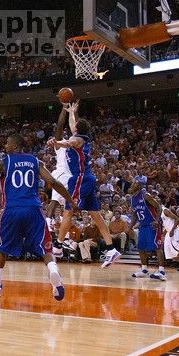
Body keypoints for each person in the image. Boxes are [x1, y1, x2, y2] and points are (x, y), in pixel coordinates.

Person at [0, 134, 77, 300]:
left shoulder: (3, 162)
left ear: (14, 145)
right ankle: (53, 271)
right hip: (34, 209)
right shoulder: (36, 162)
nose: (5, 145)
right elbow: (54, 182)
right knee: (45, 248)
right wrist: (70, 200)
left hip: (12, 209)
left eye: (7, 142)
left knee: (2, 248)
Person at [48, 103, 121, 268]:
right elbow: (72, 126)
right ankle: (111, 249)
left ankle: (58, 246)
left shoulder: (78, 139)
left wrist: (56, 142)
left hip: (80, 178)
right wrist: (72, 113)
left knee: (68, 211)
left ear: (77, 131)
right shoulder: (81, 136)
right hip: (87, 178)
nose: (72, 128)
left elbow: (69, 143)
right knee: (95, 215)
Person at [128, 176, 167, 280]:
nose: (132, 184)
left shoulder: (146, 196)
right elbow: (135, 215)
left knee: (157, 247)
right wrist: (130, 226)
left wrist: (156, 220)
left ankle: (162, 272)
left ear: (139, 186)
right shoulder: (132, 199)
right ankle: (144, 270)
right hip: (143, 226)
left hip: (152, 224)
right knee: (141, 247)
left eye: (135, 183)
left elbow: (158, 207)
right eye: (132, 183)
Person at [45, 103, 72, 237]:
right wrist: (64, 109)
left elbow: (77, 127)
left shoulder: (75, 144)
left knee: (68, 205)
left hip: (71, 176)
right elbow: (60, 126)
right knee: (55, 201)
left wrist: (73, 112)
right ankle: (47, 223)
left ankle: (63, 234)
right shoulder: (60, 145)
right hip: (61, 174)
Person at [161, 204, 179, 269]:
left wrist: (172, 230)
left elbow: (177, 220)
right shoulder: (157, 212)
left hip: (175, 231)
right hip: (169, 232)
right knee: (171, 252)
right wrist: (163, 234)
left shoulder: (165, 211)